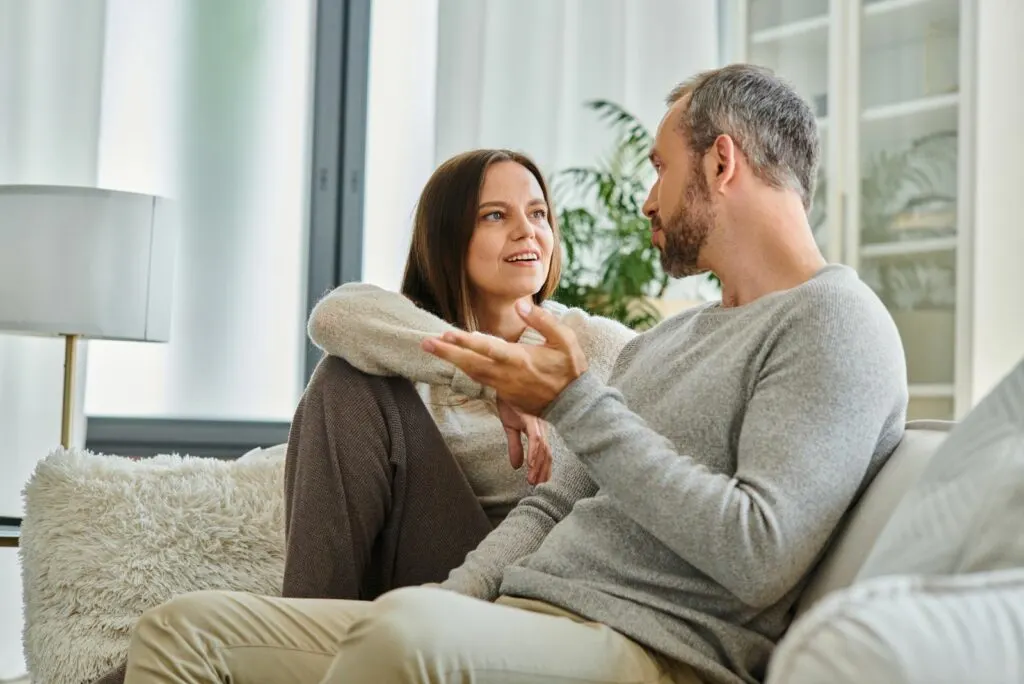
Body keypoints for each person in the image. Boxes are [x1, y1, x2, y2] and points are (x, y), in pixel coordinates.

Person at [121, 64, 908, 684]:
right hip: (525, 611)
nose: (645, 199)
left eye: (660, 167)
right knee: (183, 631)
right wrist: (455, 597)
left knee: (404, 641)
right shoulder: (668, 342)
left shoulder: (834, 321)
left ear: (723, 162)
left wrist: (573, 403)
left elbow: (758, 551)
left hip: (646, 646)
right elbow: (553, 507)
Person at [90, 149, 633, 684]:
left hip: (509, 585)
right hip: (406, 572)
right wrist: (491, 380)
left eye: (537, 213)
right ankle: (297, 631)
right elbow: (334, 314)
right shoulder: (411, 338)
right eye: (495, 215)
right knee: (344, 379)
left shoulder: (594, 345)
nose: (526, 231)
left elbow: (557, 507)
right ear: (447, 239)